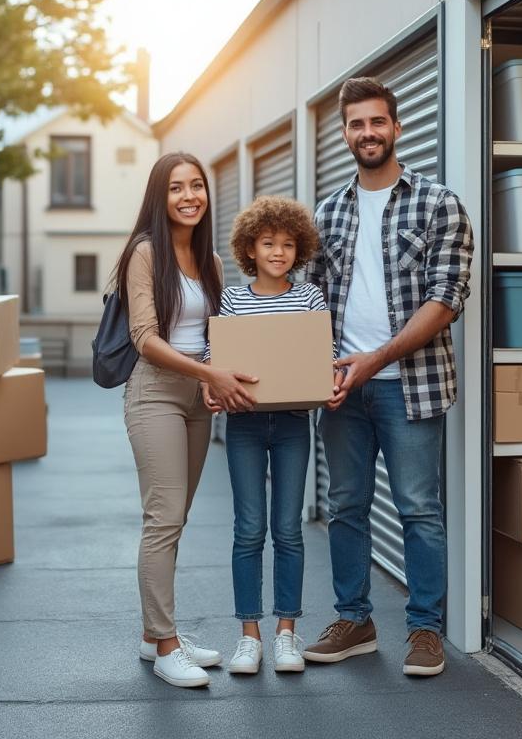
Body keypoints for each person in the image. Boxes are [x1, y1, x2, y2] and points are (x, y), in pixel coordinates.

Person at [301, 77, 475, 677]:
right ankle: (355, 619)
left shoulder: (438, 203)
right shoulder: (327, 213)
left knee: (419, 509)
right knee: (346, 506)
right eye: (356, 124)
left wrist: (375, 358)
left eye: (377, 122)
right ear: (344, 132)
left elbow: (446, 298)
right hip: (342, 389)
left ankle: (425, 629)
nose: (367, 133)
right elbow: (312, 302)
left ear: (397, 127)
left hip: (411, 385)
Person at [114, 151, 259, 689]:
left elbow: (216, 338)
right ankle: (166, 644)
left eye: (196, 186)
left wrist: (215, 378)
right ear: (161, 196)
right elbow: (145, 339)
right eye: (177, 188)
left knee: (177, 517)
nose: (189, 196)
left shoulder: (212, 263)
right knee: (163, 518)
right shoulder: (145, 254)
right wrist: (210, 373)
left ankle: (157, 635)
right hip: (154, 394)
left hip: (200, 399)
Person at [199, 196, 337, 675]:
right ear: (249, 248)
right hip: (244, 424)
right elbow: (215, 360)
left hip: (295, 423)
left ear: (298, 250)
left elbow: (325, 355)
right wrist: (209, 382)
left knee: (288, 529)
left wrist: (329, 381)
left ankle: (287, 634)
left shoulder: (311, 298)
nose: (277, 251)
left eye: (287, 244)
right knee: (249, 529)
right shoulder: (233, 300)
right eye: (267, 242)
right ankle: (249, 636)